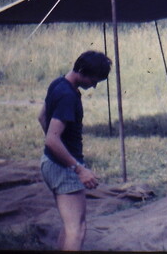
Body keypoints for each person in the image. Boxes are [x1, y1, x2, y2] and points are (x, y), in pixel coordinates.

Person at [38, 50, 112, 251]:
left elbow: (42, 117)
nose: (94, 86)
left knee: (69, 226)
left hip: (50, 163)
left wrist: (57, 145)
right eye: (93, 80)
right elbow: (52, 139)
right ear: (81, 71)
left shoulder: (58, 83)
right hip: (64, 169)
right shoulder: (68, 96)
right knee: (77, 229)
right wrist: (79, 169)